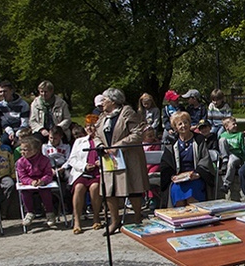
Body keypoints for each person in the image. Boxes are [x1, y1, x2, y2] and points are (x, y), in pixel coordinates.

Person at [95, 88, 149, 232]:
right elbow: (96, 135)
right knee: (109, 191)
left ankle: (138, 218)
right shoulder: (102, 117)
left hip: (128, 157)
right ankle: (114, 221)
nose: (102, 102)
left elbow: (137, 134)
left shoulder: (127, 113)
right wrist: (100, 146)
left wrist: (118, 145)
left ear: (113, 101)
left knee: (133, 188)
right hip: (109, 159)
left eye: (105, 99)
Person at [159, 111, 214, 207]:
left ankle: (195, 219)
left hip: (196, 177)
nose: (183, 125)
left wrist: (198, 174)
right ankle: (180, 219)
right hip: (178, 179)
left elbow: (205, 159)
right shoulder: (172, 144)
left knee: (193, 193)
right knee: (176, 190)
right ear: (175, 127)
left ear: (190, 123)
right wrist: (172, 176)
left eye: (185, 122)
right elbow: (166, 164)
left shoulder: (199, 140)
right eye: (180, 124)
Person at [66, 114, 103, 234]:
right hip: (82, 172)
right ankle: (77, 221)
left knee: (95, 188)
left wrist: (101, 162)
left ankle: (96, 217)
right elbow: (72, 159)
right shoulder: (79, 141)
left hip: (98, 172)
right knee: (79, 188)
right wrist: (84, 166)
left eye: (92, 126)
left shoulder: (103, 140)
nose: (89, 129)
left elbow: (111, 156)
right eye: (87, 126)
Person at [15, 136, 57, 229]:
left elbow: (48, 174)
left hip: (42, 182)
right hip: (29, 183)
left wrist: (43, 181)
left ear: (35, 150)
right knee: (25, 193)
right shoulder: (20, 162)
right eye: (21, 149)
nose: (22, 152)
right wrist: (30, 182)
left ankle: (50, 212)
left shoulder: (44, 160)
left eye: (25, 150)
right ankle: (29, 212)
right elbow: (22, 176)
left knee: (46, 192)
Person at [0, 81, 30, 147]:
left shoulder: (23, 104)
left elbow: (25, 122)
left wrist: (17, 134)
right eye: (0, 92)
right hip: (9, 131)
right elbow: (4, 122)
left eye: (5, 91)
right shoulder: (0, 106)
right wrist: (10, 132)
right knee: (3, 142)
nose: (3, 94)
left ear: (11, 91)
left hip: (22, 130)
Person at [218, 116, 245, 195]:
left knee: (231, 162)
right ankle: (225, 161)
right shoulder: (223, 135)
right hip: (226, 155)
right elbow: (221, 148)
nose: (236, 125)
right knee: (222, 140)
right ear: (227, 127)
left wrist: (243, 160)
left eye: (236, 124)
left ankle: (226, 185)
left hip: (236, 156)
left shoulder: (239, 135)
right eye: (233, 124)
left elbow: (243, 148)